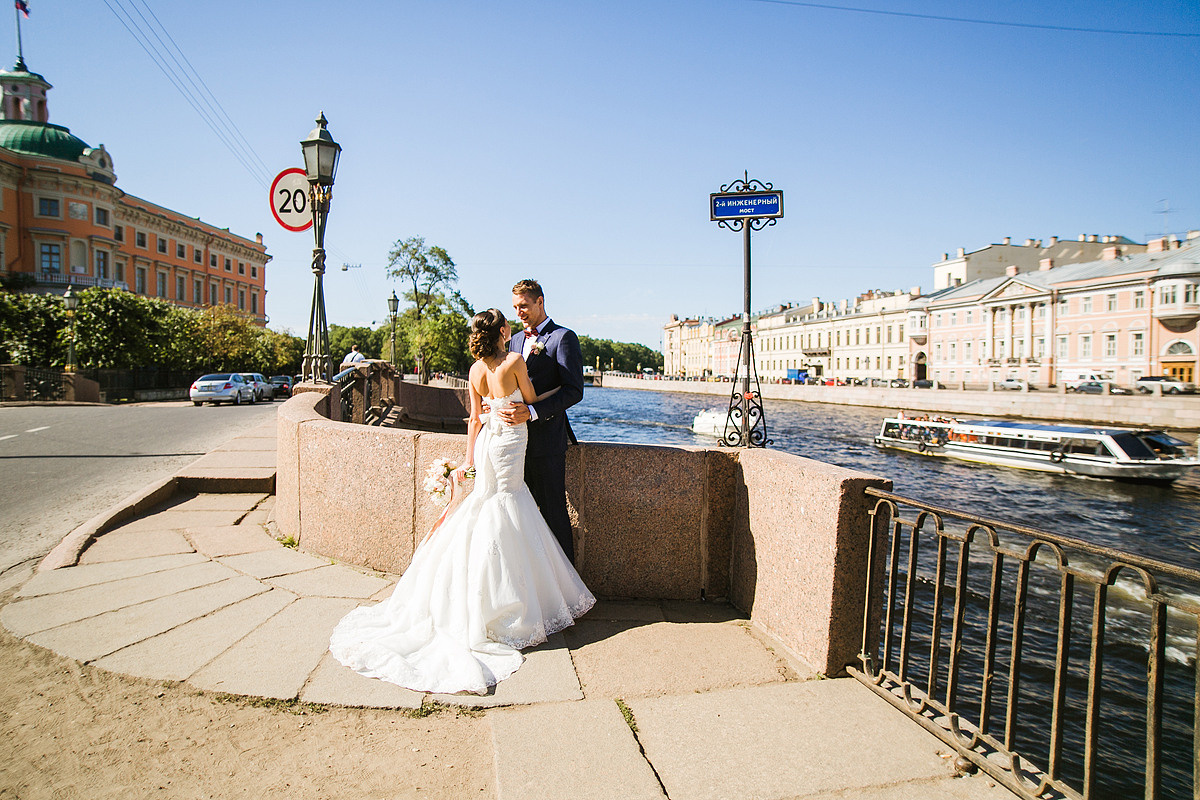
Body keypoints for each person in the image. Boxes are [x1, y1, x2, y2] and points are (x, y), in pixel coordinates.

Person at [329, 308, 594, 695]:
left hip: (486, 443)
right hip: (510, 440)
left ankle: (472, 597)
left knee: (486, 502)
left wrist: (469, 460)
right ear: (504, 331)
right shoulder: (516, 361)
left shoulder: (473, 371)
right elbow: (532, 402)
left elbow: (472, 419)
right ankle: (509, 604)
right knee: (509, 501)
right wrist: (538, 399)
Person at [492, 279, 584, 563]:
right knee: (521, 514)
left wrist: (532, 412)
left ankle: (568, 589)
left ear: (540, 302)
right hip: (514, 442)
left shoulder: (563, 338)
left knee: (553, 512)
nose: (519, 312)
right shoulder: (516, 340)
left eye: (524, 306)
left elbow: (574, 391)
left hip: (547, 441)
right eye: (515, 307)